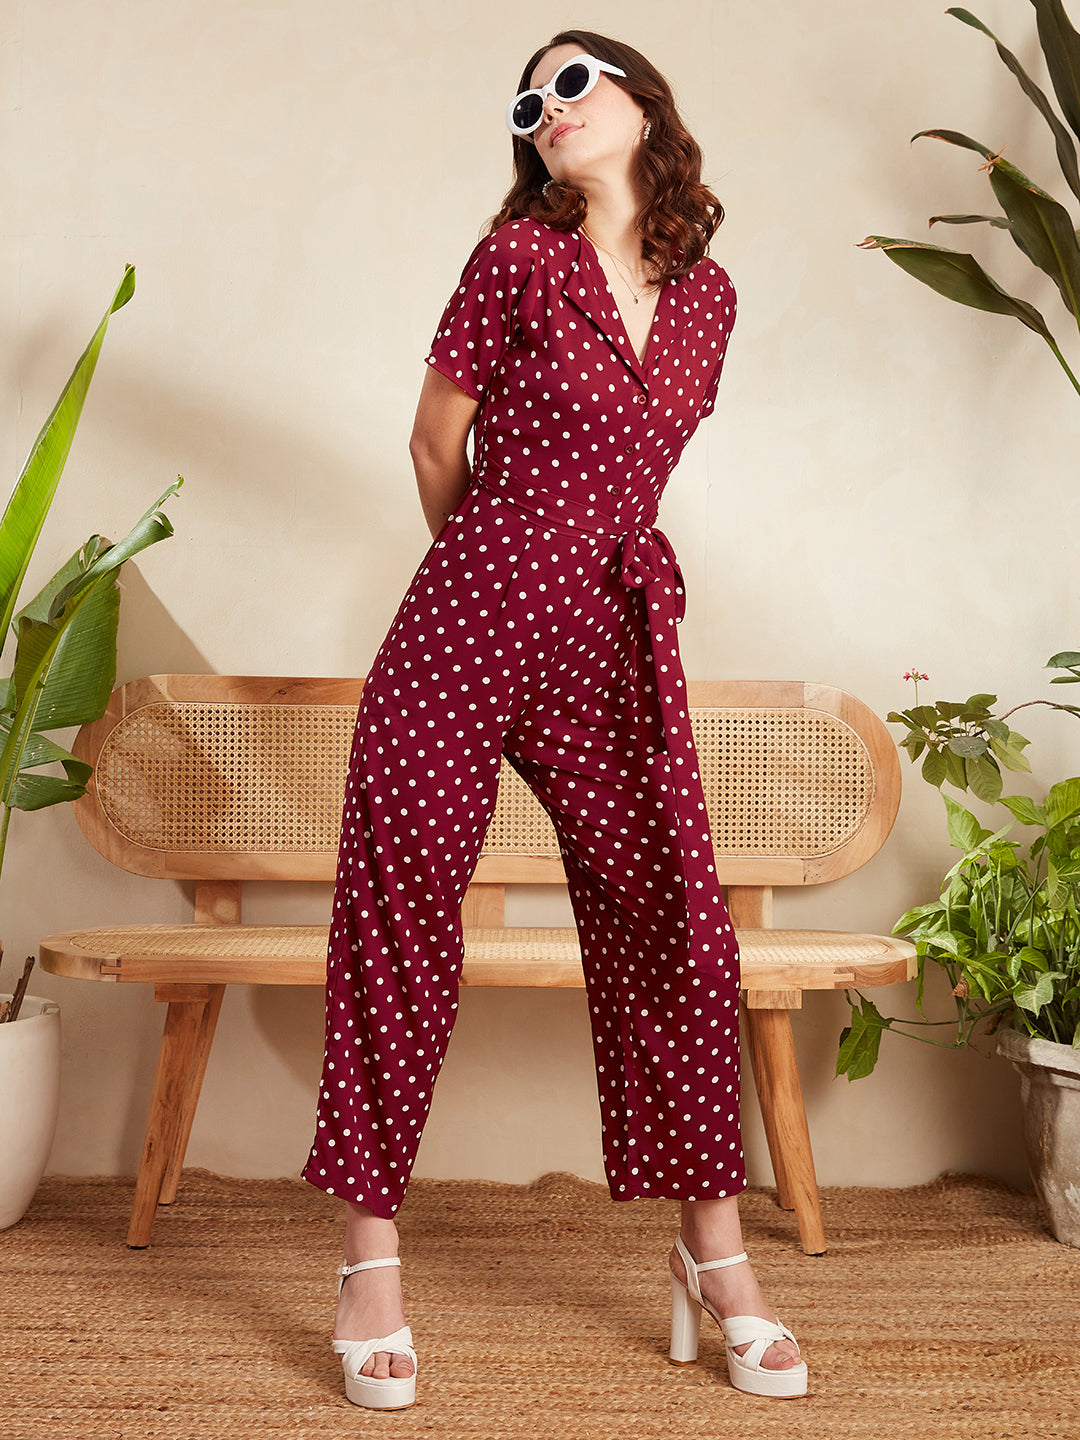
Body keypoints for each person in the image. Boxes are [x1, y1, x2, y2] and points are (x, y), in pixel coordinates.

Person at [301, 29, 808, 1410]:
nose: (548, 110)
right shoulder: (514, 259)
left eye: (573, 82)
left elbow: (642, 462)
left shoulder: (709, 299)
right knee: (400, 904)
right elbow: (434, 442)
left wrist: (565, 579)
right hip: (476, 599)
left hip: (615, 624)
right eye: (529, 103)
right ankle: (367, 1263)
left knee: (674, 918)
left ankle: (714, 1255)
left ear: (644, 104)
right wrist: (487, 573)